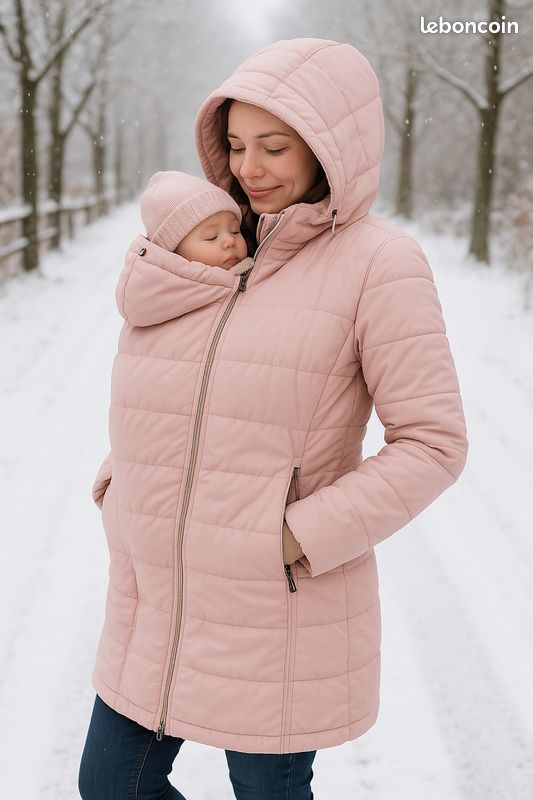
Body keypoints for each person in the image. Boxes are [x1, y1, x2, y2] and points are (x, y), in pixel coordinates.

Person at [79, 37, 468, 800]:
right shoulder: (209, 246)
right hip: (158, 596)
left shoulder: (377, 263)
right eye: (233, 145)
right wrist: (123, 483)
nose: (248, 169)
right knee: (110, 787)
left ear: (330, 146)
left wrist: (293, 534)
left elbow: (433, 442)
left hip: (275, 611)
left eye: (274, 146)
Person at [138, 170, 253, 275]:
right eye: (212, 237)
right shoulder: (171, 295)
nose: (231, 240)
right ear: (173, 253)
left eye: (235, 231)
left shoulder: (253, 275)